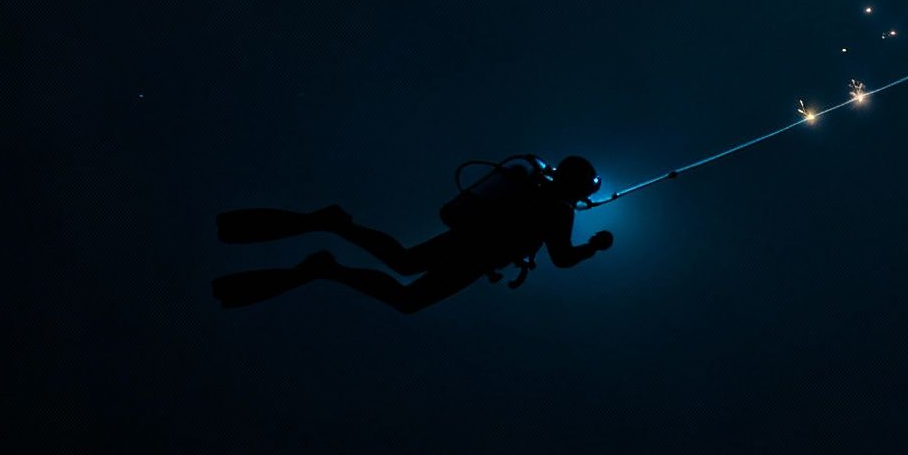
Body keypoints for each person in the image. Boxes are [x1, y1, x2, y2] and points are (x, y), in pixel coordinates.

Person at [212, 155, 613, 313]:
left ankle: (334, 233)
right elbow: (562, 259)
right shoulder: (558, 210)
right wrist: (593, 247)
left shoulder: (533, 190)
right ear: (578, 187)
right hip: (477, 256)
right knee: (408, 297)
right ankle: (328, 263)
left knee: (403, 261)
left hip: (467, 239)